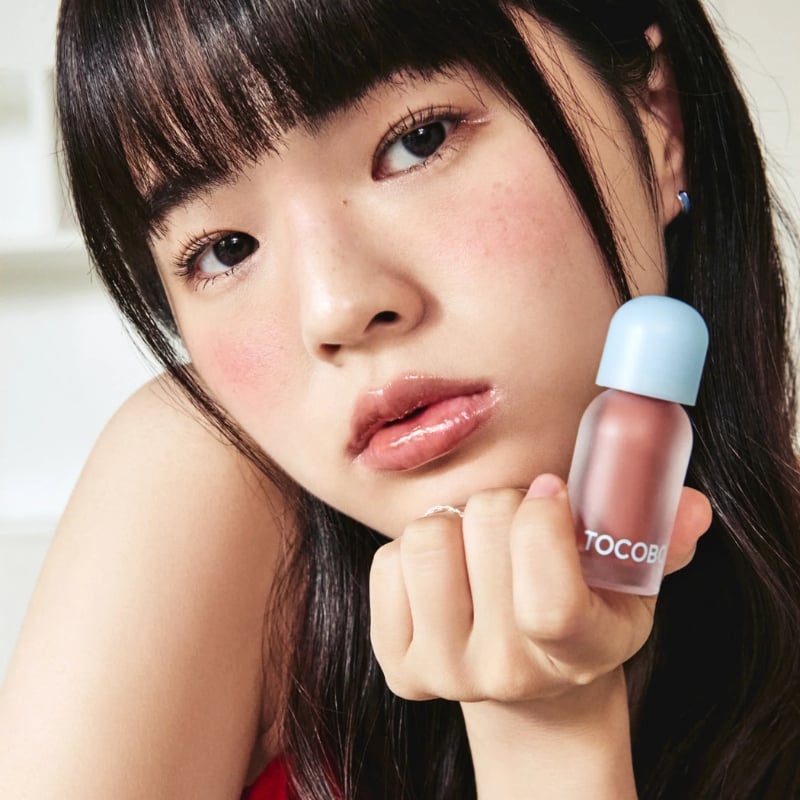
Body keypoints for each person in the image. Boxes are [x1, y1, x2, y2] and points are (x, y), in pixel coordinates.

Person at [1, 0, 799, 797]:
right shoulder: (200, 487)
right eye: (225, 249)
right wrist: (538, 722)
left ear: (658, 124)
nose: (336, 308)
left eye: (418, 141)